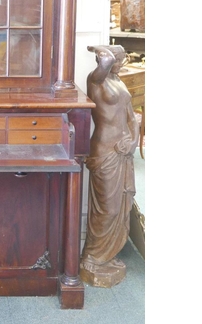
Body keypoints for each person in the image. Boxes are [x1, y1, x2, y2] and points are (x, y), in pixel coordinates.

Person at [80, 44, 139, 286]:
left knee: (119, 207)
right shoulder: (96, 80)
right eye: (121, 58)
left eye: (125, 59)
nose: (123, 63)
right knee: (107, 208)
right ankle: (92, 258)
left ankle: (106, 256)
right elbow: (103, 62)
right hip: (105, 151)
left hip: (123, 150)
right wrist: (100, 49)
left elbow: (131, 116)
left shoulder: (119, 81)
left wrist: (134, 140)